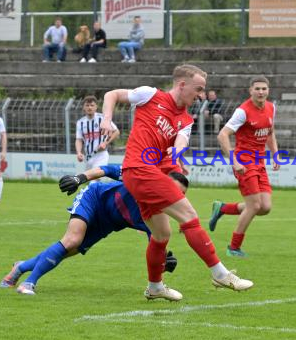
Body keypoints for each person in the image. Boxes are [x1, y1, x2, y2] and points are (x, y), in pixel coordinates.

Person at [100, 64, 253, 301]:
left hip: (146, 174)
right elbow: (112, 95)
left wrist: (177, 154)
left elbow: (181, 141)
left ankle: (155, 286)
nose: (201, 95)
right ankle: (220, 273)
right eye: (198, 89)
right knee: (189, 215)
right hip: (139, 170)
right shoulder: (150, 95)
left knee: (161, 234)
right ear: (182, 85)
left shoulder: (186, 119)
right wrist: (107, 120)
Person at [0, 165, 185, 296]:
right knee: (72, 240)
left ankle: (20, 267)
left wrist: (162, 262)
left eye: (181, 194)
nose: (176, 196)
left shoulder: (157, 218)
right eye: (174, 190)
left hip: (108, 224)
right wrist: (79, 178)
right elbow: (107, 169)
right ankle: (28, 283)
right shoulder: (140, 179)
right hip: (94, 198)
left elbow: (155, 250)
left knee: (66, 251)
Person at [209, 76, 280, 257]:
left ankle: (223, 208)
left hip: (260, 161)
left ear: (268, 90)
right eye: (257, 89)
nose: (261, 92)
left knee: (265, 207)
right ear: (250, 91)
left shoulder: (271, 108)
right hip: (244, 162)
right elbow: (222, 135)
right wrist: (234, 161)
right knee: (254, 205)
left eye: (264, 89)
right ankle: (233, 248)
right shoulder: (243, 111)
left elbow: (270, 132)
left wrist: (275, 154)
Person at [76, 96, 120, 171]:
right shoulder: (80, 122)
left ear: (96, 107)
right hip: (88, 156)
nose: (89, 108)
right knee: (90, 180)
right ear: (83, 107)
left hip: (101, 155)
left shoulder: (102, 118)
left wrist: (105, 143)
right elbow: (79, 139)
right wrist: (79, 152)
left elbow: (116, 132)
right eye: (87, 105)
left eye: (92, 105)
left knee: (95, 179)